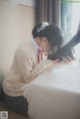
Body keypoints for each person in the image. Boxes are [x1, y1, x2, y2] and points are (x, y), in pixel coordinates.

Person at [2, 22, 72, 116]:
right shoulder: (24, 51)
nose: (50, 50)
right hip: (15, 92)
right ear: (44, 40)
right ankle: (5, 101)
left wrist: (59, 62)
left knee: (54, 101)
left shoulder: (40, 47)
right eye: (51, 47)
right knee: (47, 110)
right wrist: (46, 63)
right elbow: (28, 79)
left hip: (28, 87)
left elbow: (44, 69)